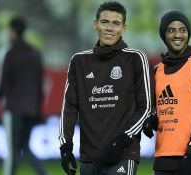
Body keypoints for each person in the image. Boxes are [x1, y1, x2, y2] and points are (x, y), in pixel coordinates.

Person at [58, 1, 153, 175]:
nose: (110, 28)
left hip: (123, 153)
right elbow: (69, 107)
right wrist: (65, 145)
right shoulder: (79, 61)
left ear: (124, 28)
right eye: (105, 22)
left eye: (116, 23)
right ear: (95, 24)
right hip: (89, 156)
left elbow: (146, 107)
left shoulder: (136, 59)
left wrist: (123, 141)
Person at [143, 11, 191, 175]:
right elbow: (159, 109)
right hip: (164, 157)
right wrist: (152, 121)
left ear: (188, 34)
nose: (178, 35)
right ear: (163, 35)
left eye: (182, 30)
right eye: (171, 30)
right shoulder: (157, 71)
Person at [0, 16, 46, 175]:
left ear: (12, 31)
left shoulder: (9, 52)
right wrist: (39, 110)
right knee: (24, 147)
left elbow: (2, 85)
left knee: (13, 151)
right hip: (31, 110)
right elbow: (39, 84)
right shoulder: (35, 53)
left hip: (14, 110)